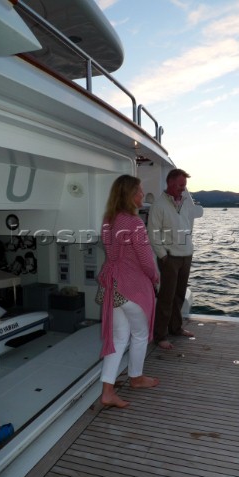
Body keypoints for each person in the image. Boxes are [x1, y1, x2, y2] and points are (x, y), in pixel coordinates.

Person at [98, 175, 160, 408]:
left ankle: (107, 392)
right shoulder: (134, 223)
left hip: (113, 287)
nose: (142, 195)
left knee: (119, 338)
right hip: (132, 287)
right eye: (139, 191)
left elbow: (111, 253)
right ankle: (136, 378)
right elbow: (145, 259)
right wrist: (155, 277)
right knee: (140, 334)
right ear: (129, 195)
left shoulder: (108, 219)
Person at [147, 168, 197, 349]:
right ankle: (160, 335)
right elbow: (153, 233)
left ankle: (176, 328)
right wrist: (163, 256)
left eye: (184, 186)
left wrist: (189, 247)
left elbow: (187, 226)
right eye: (181, 185)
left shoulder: (184, 203)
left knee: (179, 295)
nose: (183, 189)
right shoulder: (159, 206)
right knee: (166, 298)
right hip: (170, 258)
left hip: (186, 256)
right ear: (170, 183)